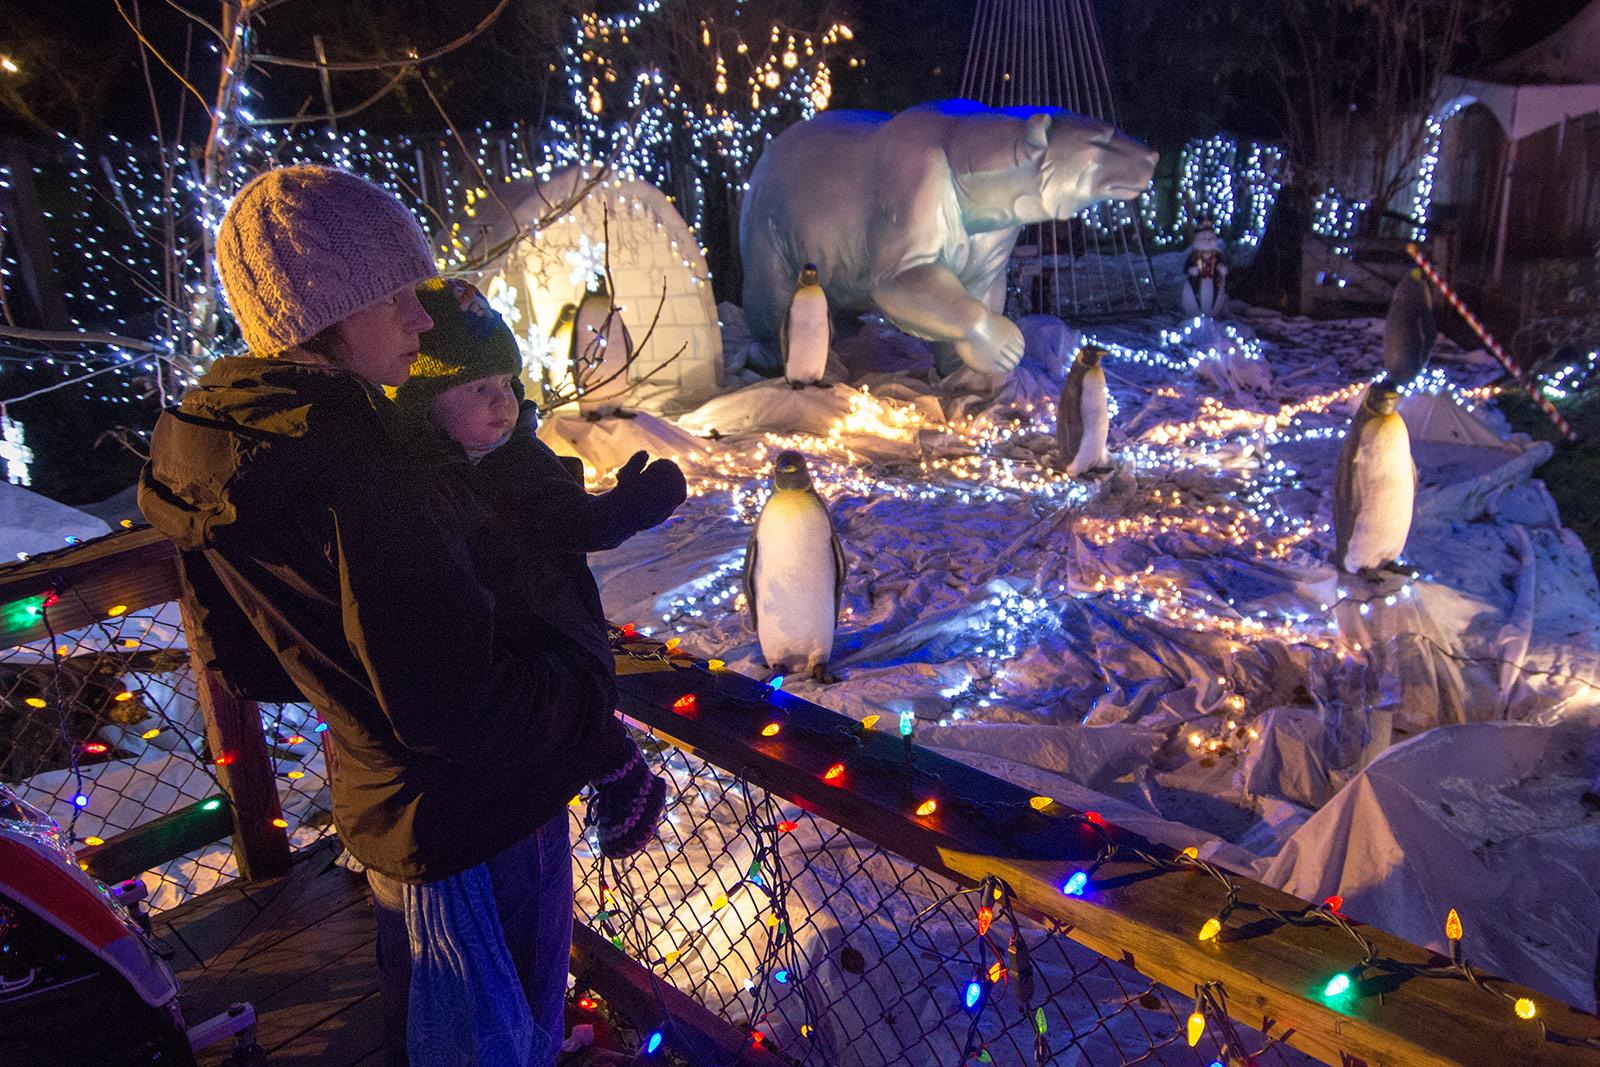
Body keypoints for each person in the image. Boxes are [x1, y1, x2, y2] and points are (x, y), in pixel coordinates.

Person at [137, 165, 663, 1067]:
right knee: (494, 1038)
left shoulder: (225, 451)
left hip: (392, 813)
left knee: (440, 1029)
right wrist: (585, 697)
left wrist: (360, 695)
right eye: (397, 299)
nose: (423, 320)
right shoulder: (368, 472)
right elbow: (456, 707)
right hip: (479, 815)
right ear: (328, 317)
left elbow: (249, 666)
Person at [389, 277, 686, 718]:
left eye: (507, 384)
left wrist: (629, 506)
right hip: (484, 692)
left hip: (558, 665)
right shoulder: (410, 481)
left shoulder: (520, 456)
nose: (503, 402)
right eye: (479, 388)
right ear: (424, 401)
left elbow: (574, 519)